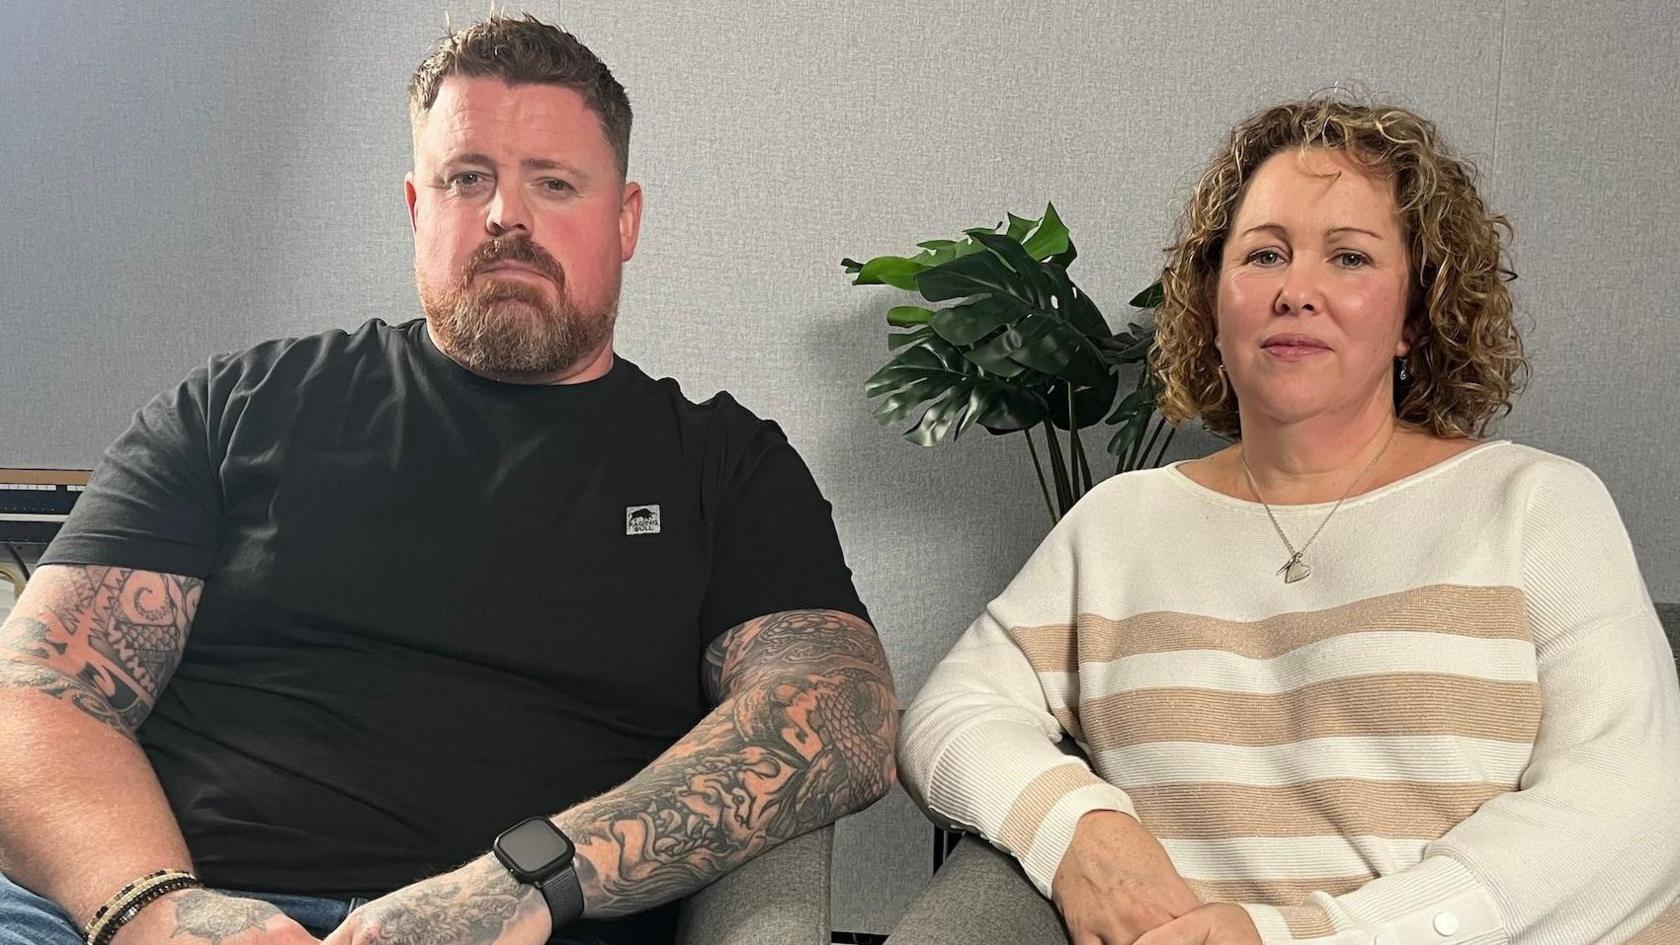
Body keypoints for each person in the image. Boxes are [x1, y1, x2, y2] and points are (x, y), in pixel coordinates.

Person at [0, 15, 896, 945]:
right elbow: (35, 692)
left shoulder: (725, 465)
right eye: (468, 178)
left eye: (554, 182)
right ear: (417, 207)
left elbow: (845, 712)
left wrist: (529, 879)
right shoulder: (236, 406)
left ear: (625, 219)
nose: (508, 214)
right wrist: (153, 908)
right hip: (166, 905)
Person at [894, 97, 1680, 944]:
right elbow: (952, 711)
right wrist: (1079, 830)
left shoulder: (1537, 505)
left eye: (1349, 257)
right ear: (1215, 303)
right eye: (1264, 254)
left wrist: (1313, 936)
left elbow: (1630, 804)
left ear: (1416, 313)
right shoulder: (1118, 525)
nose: (1295, 291)